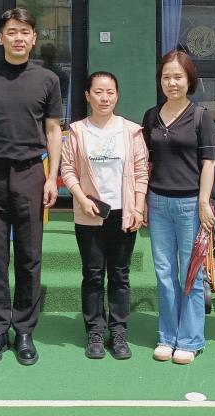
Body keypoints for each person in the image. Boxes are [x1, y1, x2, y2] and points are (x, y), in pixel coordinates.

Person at [0, 8, 63, 367]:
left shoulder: (48, 80)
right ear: (0, 37)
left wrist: (52, 177)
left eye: (24, 32)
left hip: (32, 173)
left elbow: (54, 131)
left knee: (30, 256)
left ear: (34, 38)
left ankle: (24, 332)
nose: (18, 37)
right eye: (12, 31)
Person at [60, 71, 149, 361]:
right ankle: (95, 332)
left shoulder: (131, 131)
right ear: (88, 96)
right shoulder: (77, 131)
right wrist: (81, 198)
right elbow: (68, 169)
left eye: (110, 92)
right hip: (90, 213)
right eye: (98, 92)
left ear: (117, 95)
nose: (104, 98)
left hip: (124, 214)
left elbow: (141, 172)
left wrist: (138, 208)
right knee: (93, 274)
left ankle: (119, 332)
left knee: (120, 275)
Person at [141, 49, 215, 365]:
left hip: (190, 205)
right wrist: (143, 200)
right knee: (164, 273)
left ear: (189, 80)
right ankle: (167, 336)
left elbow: (208, 161)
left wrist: (203, 202)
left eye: (178, 77)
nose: (172, 83)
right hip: (158, 203)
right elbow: (146, 162)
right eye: (166, 77)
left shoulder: (201, 116)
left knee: (191, 273)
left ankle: (190, 339)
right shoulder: (151, 116)